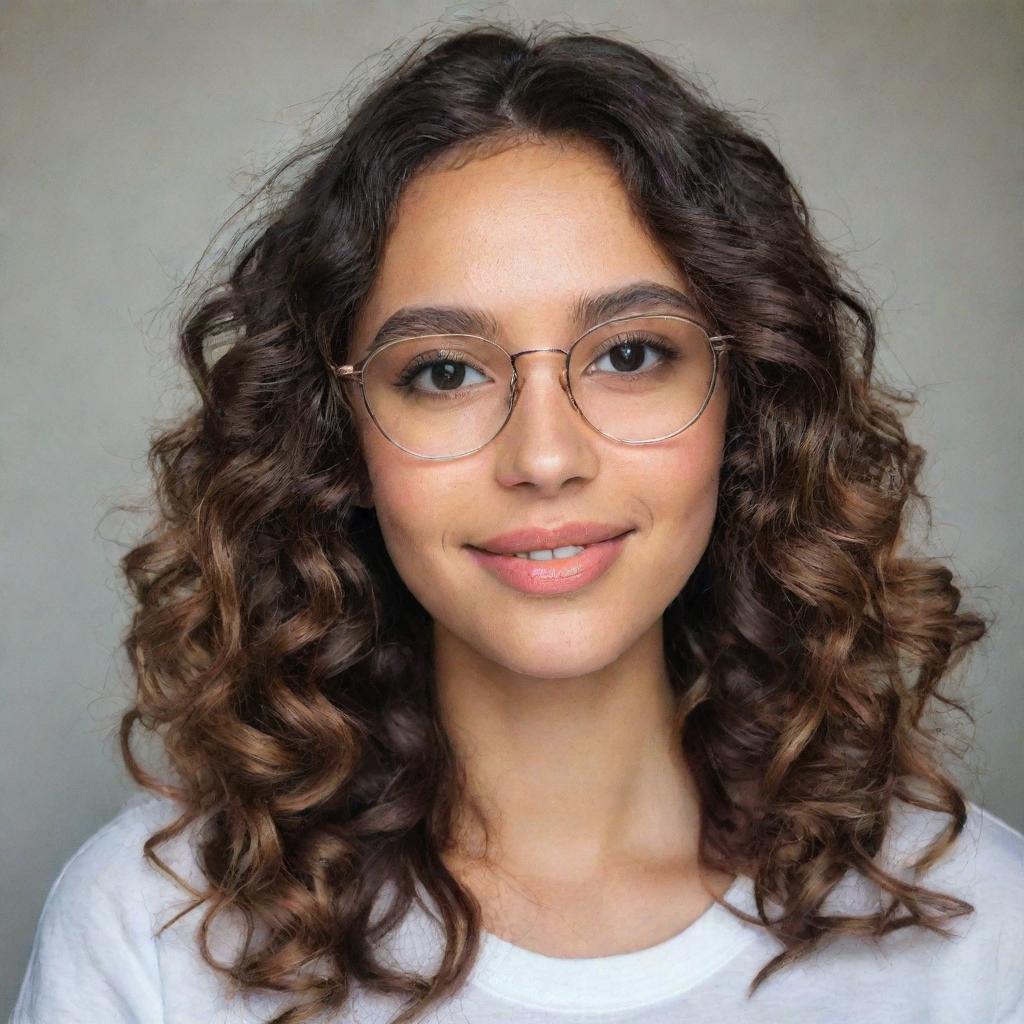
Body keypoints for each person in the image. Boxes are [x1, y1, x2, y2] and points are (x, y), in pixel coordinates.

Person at [12, 19, 1024, 1024]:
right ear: (338, 441)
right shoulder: (151, 931)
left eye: (629, 354)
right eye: (443, 371)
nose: (544, 459)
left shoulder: (977, 922)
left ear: (743, 400)